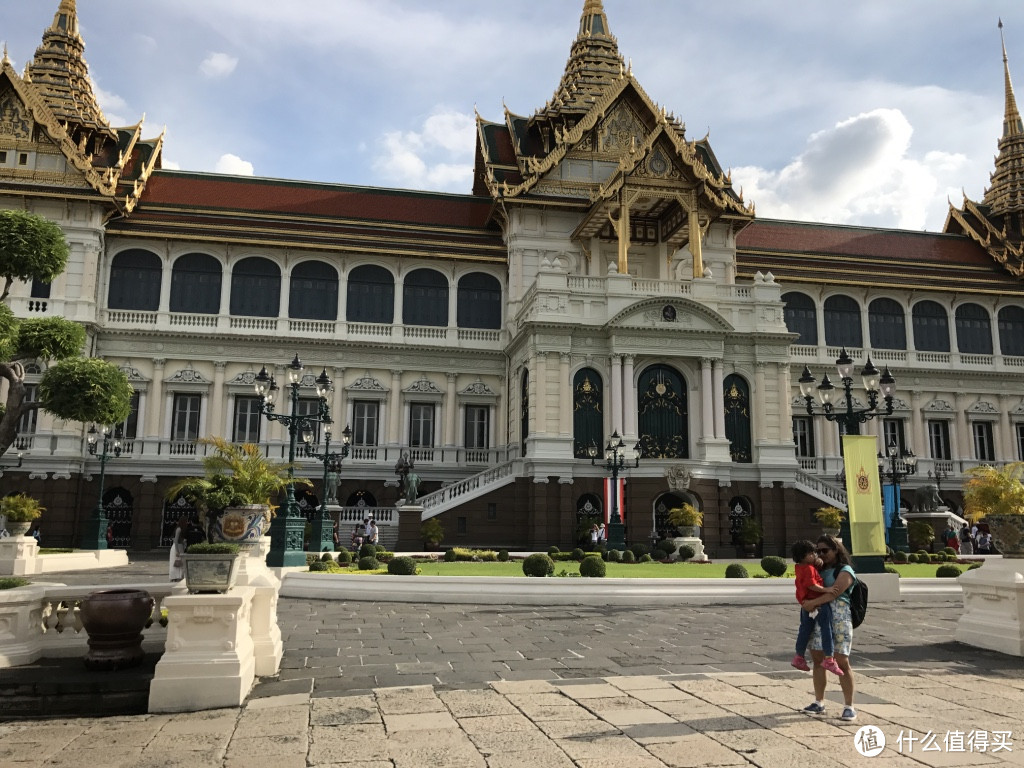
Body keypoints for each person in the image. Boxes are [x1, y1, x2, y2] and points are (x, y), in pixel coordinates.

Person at [799, 534, 858, 722]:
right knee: (818, 658)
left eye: (825, 551)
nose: (821, 554)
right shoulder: (816, 570)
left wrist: (812, 603)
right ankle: (819, 701)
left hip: (838, 617)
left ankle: (849, 705)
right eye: (818, 551)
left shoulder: (845, 570)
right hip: (818, 616)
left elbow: (834, 593)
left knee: (841, 660)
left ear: (836, 551)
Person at [790, 540, 844, 677]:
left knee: (805, 630)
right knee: (827, 628)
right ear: (803, 556)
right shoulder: (808, 569)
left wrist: (817, 562)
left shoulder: (801, 567)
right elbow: (812, 585)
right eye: (812, 553)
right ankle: (829, 659)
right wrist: (828, 590)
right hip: (818, 603)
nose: (815, 555)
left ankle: (799, 656)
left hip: (806, 603)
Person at [169, 515, 187, 582]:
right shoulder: (179, 529)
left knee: (180, 562)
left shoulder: (181, 529)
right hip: (177, 547)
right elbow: (176, 540)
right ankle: (175, 576)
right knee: (176, 562)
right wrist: (177, 551)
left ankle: (179, 576)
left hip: (180, 546)